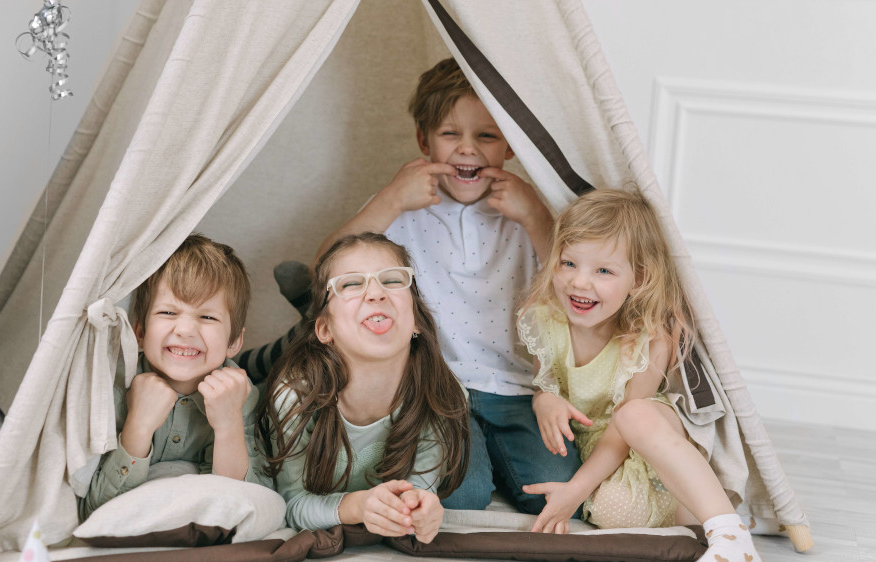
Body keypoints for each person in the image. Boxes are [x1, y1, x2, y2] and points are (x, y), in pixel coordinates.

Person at [309, 57, 576, 515]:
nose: (467, 150)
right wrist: (392, 197)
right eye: (451, 135)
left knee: (556, 496)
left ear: (509, 145)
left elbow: (574, 287)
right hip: (439, 387)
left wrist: (536, 216)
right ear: (423, 140)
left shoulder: (528, 210)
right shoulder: (399, 209)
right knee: (459, 498)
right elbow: (327, 268)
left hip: (519, 390)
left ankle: (497, 455)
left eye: (486, 136)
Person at [517, 190, 760, 562]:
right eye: (568, 263)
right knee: (612, 510)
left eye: (603, 270)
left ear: (638, 278)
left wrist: (576, 489)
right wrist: (544, 399)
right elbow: (542, 384)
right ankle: (698, 516)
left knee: (633, 415)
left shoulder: (649, 337)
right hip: (596, 451)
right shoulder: (544, 320)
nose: (580, 282)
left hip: (645, 440)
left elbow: (622, 429)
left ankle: (731, 535)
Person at [258, 233, 468, 543]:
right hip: (288, 373)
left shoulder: (442, 398)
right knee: (246, 363)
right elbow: (291, 504)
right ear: (325, 330)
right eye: (351, 284)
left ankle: (313, 302)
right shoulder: (293, 396)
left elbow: (421, 490)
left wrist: (422, 509)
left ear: (416, 322)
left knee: (470, 495)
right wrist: (357, 506)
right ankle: (307, 310)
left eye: (393, 280)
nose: (375, 292)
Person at [79, 233, 268, 520]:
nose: (186, 330)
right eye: (168, 312)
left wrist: (228, 424)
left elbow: (244, 502)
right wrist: (139, 426)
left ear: (233, 342)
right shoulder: (113, 386)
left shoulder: (240, 394)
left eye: (207, 317)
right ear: (140, 333)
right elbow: (94, 508)